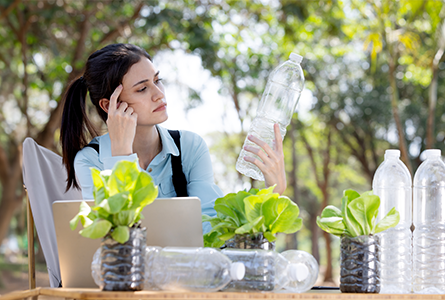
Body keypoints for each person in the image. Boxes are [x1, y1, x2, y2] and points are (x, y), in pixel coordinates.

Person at [60, 43, 287, 221]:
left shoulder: (189, 147)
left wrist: (275, 192)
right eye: (142, 88)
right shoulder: (90, 160)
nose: (159, 94)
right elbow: (116, 237)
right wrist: (120, 154)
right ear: (109, 106)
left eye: (158, 80)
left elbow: (211, 222)